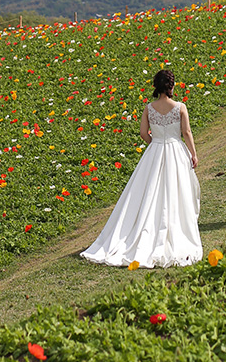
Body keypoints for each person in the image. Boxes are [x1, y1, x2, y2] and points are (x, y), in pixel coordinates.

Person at [81, 68, 202, 268]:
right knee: (176, 190)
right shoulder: (180, 107)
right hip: (175, 150)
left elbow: (143, 134)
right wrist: (193, 153)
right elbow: (186, 132)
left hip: (155, 151)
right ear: (171, 86)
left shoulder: (149, 108)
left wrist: (155, 143)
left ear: (156, 86)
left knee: (148, 190)